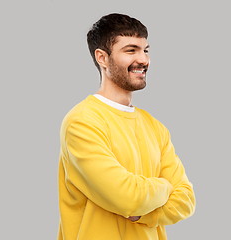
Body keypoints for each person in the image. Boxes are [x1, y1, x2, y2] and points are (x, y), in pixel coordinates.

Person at [57, 13, 196, 240]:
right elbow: (128, 197)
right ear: (102, 58)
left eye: (145, 50)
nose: (143, 59)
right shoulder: (82, 122)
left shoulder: (155, 126)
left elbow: (187, 199)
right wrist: (164, 186)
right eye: (131, 50)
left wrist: (142, 214)